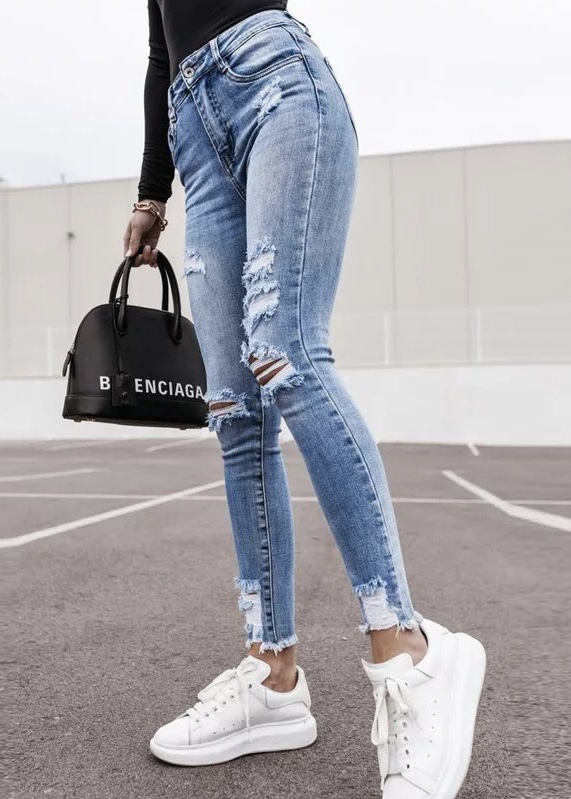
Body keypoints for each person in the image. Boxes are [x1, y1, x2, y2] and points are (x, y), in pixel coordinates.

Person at [124, 3, 487, 796]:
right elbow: (158, 49)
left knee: (286, 352)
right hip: (193, 133)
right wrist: (152, 194)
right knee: (232, 411)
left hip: (271, 81)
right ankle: (273, 674)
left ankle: (409, 650)